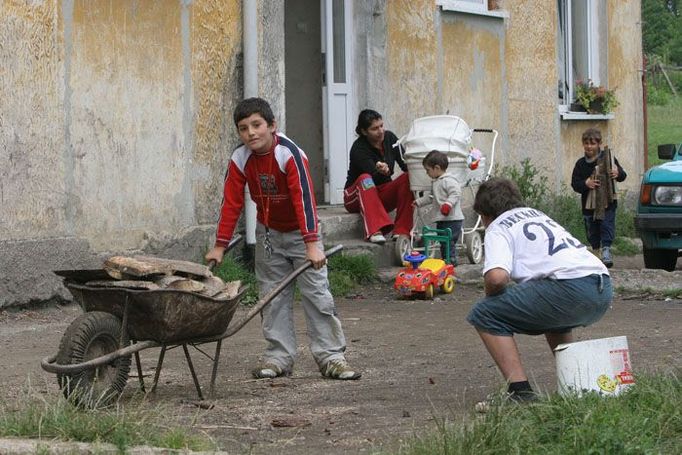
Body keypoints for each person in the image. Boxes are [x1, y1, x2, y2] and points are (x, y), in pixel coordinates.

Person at [205, 97, 360, 380]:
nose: (250, 133)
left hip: (302, 235)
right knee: (272, 296)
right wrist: (219, 246)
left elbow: (304, 199)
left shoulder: (289, 155)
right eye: (243, 128)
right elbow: (231, 203)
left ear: (272, 126)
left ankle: (331, 357)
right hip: (268, 234)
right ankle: (278, 356)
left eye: (256, 125)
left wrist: (312, 244)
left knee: (316, 295)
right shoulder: (240, 159)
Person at [466, 177, 612, 407]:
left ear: (485, 215)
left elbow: (496, 277)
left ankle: (520, 394)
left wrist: (491, 298)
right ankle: (581, 384)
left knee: (484, 313)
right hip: (601, 286)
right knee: (551, 314)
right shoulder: (536, 214)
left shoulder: (498, 226)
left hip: (569, 288)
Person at [344, 109, 414, 244]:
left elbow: (406, 164)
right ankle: (375, 230)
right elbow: (373, 173)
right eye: (374, 129)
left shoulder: (390, 138)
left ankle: (402, 231)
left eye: (381, 126)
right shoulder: (358, 148)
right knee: (365, 179)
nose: (381, 131)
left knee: (408, 177)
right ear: (364, 132)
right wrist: (382, 170)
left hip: (381, 193)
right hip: (356, 196)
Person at [571, 127, 627, 268]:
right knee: (592, 229)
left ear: (599, 144)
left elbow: (623, 175)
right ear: (583, 144)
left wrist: (617, 173)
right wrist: (586, 183)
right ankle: (595, 253)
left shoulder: (608, 158)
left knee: (606, 226)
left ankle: (606, 251)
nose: (589, 146)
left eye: (593, 143)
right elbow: (575, 183)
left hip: (608, 202)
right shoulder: (580, 164)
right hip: (588, 205)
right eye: (586, 143)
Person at [413, 150, 464, 264]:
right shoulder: (435, 182)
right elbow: (431, 197)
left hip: (453, 218)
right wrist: (419, 202)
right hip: (441, 218)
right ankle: (445, 258)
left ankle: (450, 259)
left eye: (428, 170)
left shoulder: (449, 180)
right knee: (443, 240)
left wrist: (448, 204)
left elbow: (456, 193)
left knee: (449, 240)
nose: (427, 173)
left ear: (436, 168)